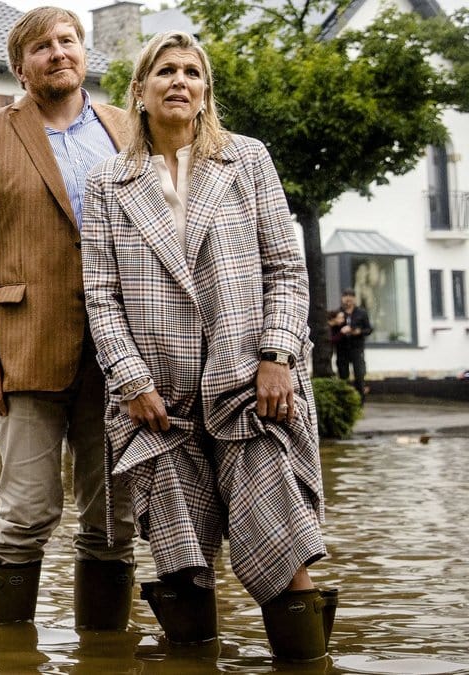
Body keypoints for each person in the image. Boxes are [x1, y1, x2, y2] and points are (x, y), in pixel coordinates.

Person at [80, 32, 336, 661]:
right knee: (180, 556)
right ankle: (191, 660)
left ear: (205, 92)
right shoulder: (108, 182)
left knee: (281, 539)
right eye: (165, 71)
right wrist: (130, 381)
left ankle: (306, 664)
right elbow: (100, 296)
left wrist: (278, 357)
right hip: (156, 399)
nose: (179, 82)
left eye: (192, 72)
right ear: (139, 91)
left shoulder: (246, 161)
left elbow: (287, 268)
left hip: (250, 388)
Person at [0, 6, 137, 629]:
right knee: (28, 509)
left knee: (114, 516)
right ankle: (8, 649)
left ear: (84, 53)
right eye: (42, 47)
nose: (58, 53)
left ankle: (102, 655)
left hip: (120, 354)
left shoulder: (128, 129)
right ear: (20, 68)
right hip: (24, 349)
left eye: (68, 41)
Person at [334, 289, 372, 404]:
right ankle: (345, 404)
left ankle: (360, 404)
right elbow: (331, 329)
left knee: (359, 376)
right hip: (342, 349)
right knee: (343, 376)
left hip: (357, 348)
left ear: (355, 299)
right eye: (346, 296)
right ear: (342, 298)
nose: (348, 299)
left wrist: (359, 331)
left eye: (351, 296)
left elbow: (369, 329)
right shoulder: (338, 313)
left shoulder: (361, 313)